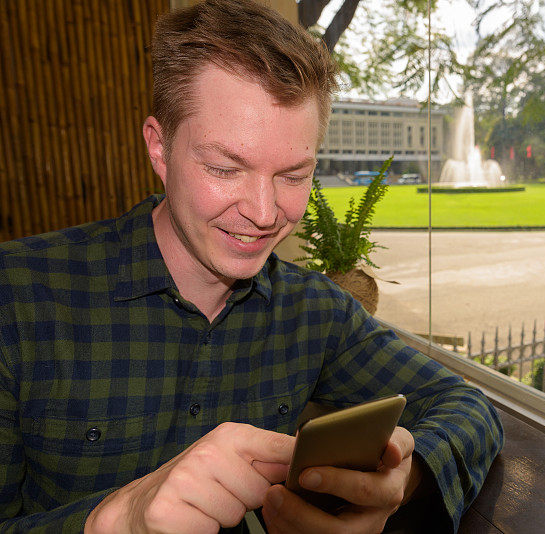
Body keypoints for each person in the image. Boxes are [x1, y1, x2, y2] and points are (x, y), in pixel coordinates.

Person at [0, 1, 503, 533]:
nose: (265, 215)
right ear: (159, 148)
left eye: (293, 175)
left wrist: (406, 478)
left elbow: (466, 405)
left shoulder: (317, 313)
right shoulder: (16, 300)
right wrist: (117, 519)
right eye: (224, 167)